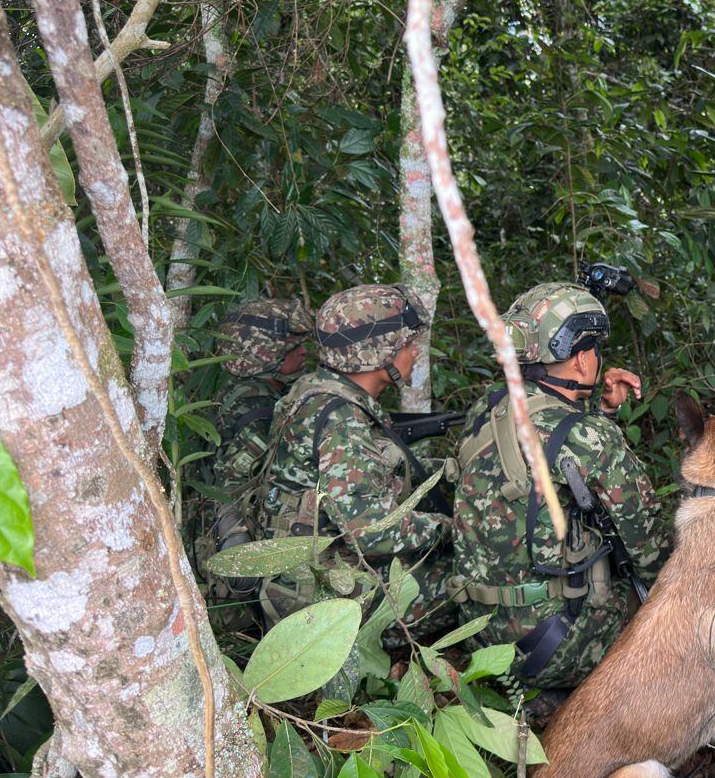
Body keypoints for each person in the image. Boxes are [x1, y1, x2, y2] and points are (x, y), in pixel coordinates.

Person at [450, 281, 669, 690]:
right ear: (583, 360)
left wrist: (601, 411)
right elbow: (651, 551)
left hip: (479, 636)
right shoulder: (589, 439)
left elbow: (554, 443)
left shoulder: (488, 409)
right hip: (550, 644)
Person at [257, 283, 453, 627]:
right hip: (321, 599)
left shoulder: (313, 390)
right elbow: (372, 534)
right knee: (466, 581)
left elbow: (360, 477)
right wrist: (452, 528)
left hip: (296, 575)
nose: (415, 353)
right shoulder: (341, 419)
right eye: (407, 344)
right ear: (379, 353)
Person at [200, 297, 313, 629]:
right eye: (293, 346)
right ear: (265, 354)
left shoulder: (233, 396)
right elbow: (236, 490)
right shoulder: (259, 410)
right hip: (236, 578)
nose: (303, 352)